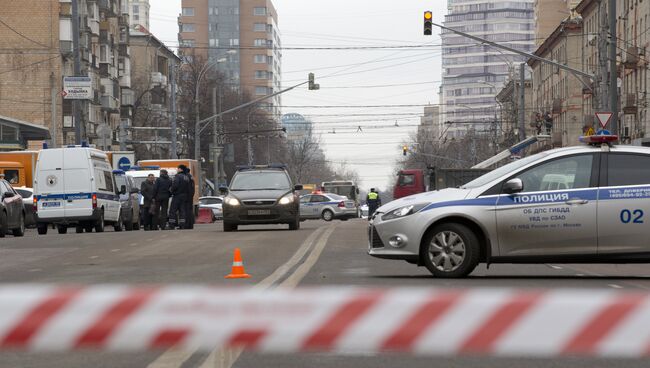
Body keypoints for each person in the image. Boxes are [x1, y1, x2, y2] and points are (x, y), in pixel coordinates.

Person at [168, 165, 191, 229]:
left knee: (172, 210)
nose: (177, 170)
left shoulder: (178, 176)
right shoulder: (186, 177)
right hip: (184, 196)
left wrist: (171, 190)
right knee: (182, 210)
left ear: (181, 169)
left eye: (178, 168)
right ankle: (182, 225)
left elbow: (175, 185)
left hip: (177, 196)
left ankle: (171, 225)